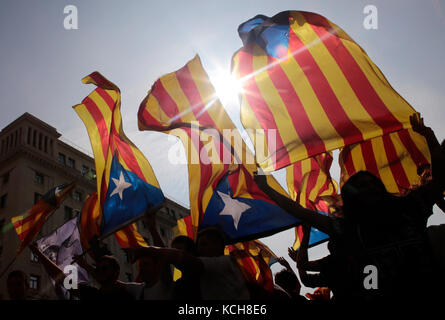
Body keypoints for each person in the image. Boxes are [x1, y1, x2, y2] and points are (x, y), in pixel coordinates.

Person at [254, 113, 445, 301]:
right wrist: (266, 189)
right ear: (354, 200)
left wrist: (428, 134)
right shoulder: (351, 230)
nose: (369, 187)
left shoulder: (408, 209)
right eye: (361, 186)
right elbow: (302, 212)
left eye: (371, 183)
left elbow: (439, 180)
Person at [126, 226, 250, 300]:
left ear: (218, 245)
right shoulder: (181, 284)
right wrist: (152, 227)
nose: (200, 249)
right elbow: (165, 261)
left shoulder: (225, 262)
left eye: (204, 244)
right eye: (199, 245)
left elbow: (178, 258)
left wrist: (148, 249)